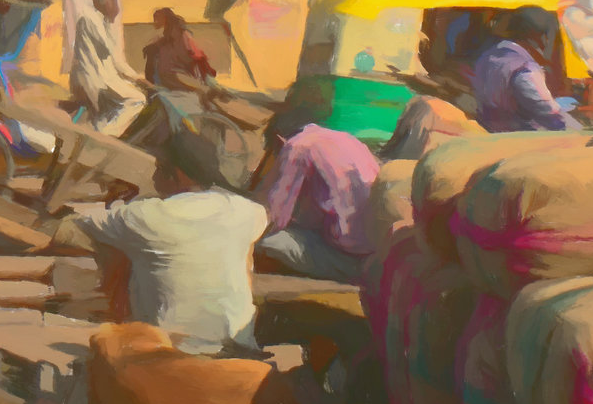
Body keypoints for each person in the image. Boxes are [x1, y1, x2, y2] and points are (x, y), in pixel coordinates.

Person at [65, 115, 265, 354]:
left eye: (159, 169)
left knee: (117, 247)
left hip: (169, 352)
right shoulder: (248, 211)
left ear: (178, 174)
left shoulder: (145, 215)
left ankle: (123, 319)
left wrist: (119, 202)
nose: (153, 177)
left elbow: (81, 223)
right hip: (238, 349)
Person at [252, 114, 379, 282]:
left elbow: (274, 217)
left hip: (349, 258)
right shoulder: (346, 139)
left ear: (278, 140)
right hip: (374, 250)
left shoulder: (297, 146)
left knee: (267, 241)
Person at [467, 6, 583, 134]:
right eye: (549, 37)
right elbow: (550, 114)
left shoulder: (487, 57)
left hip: (489, 133)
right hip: (522, 140)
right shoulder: (525, 67)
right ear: (538, 36)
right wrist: (583, 131)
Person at [70, 0, 145, 137]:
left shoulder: (102, 22)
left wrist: (137, 78)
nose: (117, 5)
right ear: (106, 1)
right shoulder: (89, 19)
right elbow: (112, 53)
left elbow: (118, 62)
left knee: (133, 91)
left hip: (104, 78)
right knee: (138, 99)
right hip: (94, 80)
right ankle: (105, 134)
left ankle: (97, 128)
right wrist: (137, 78)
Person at [143, 7, 216, 94]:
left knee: (152, 53)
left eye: (157, 20)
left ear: (164, 19)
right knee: (151, 52)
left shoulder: (177, 32)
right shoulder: (171, 32)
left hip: (179, 69)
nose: (155, 22)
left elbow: (184, 50)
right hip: (175, 67)